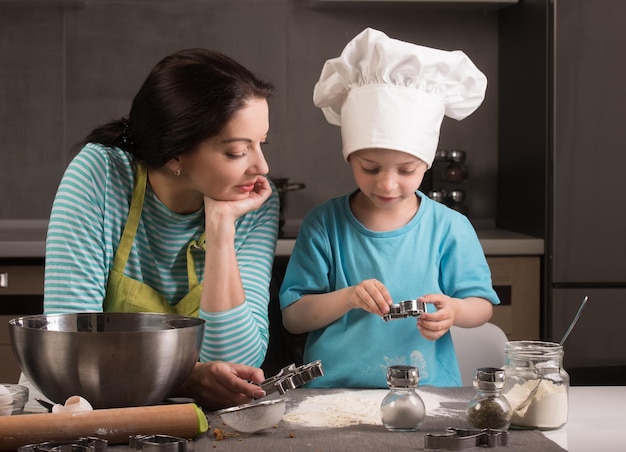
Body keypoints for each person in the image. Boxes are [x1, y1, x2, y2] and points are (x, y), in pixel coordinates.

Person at [43, 48, 280, 409]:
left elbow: (238, 365)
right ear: (175, 155)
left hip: (196, 421)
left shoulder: (252, 202)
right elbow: (70, 349)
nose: (261, 167)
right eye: (236, 152)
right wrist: (185, 377)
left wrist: (221, 232)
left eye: (261, 145)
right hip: (87, 411)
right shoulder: (100, 176)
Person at [279, 28, 500, 388]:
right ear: (349, 158)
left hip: (427, 394)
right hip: (333, 394)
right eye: (370, 168)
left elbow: (482, 305)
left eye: (406, 170)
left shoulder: (450, 227)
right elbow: (294, 317)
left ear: (427, 164)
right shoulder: (324, 225)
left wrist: (456, 311)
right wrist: (348, 297)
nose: (386, 183)